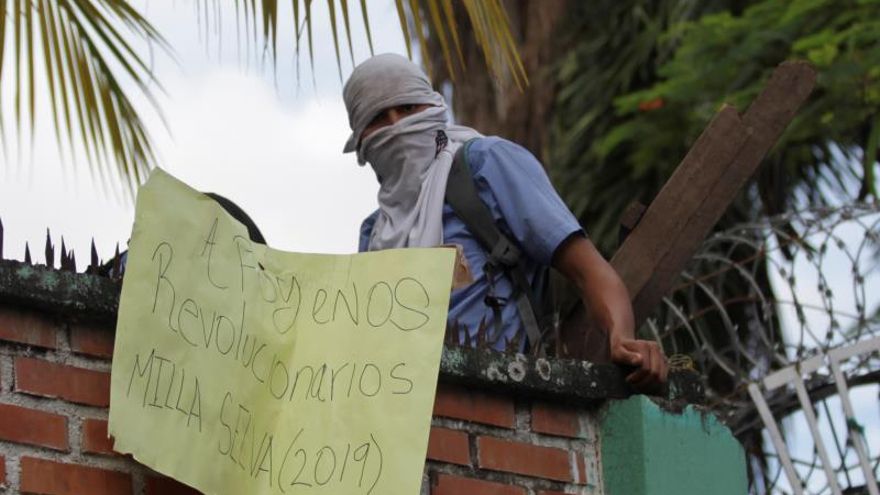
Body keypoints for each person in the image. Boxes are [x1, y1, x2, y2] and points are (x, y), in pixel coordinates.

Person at [343, 54, 666, 391]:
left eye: (409, 108)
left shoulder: (485, 165)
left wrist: (622, 338)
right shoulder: (374, 234)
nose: (397, 125)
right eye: (379, 117)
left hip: (504, 404)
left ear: (433, 106)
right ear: (361, 141)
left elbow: (587, 270)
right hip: (411, 414)